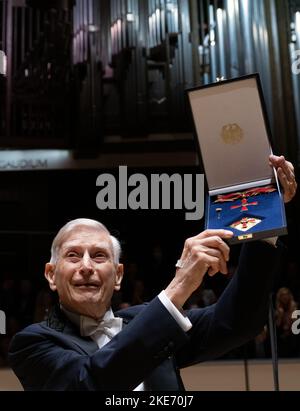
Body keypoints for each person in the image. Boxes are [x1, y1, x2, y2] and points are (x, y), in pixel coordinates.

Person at [8, 155, 297, 391]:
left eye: (99, 256)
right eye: (73, 255)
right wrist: (178, 288)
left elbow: (237, 321)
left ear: (118, 275)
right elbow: (89, 384)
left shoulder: (146, 320)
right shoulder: (32, 343)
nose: (86, 266)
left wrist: (265, 213)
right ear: (50, 274)